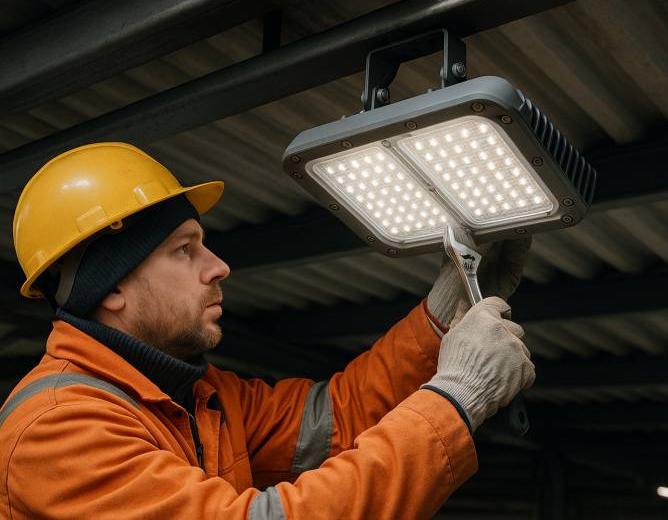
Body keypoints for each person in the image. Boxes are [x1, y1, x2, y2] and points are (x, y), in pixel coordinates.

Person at [0, 142, 535, 519]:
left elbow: (336, 416)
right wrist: (458, 398)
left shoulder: (200, 397)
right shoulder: (56, 431)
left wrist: (445, 313)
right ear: (110, 287)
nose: (218, 266)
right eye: (184, 250)